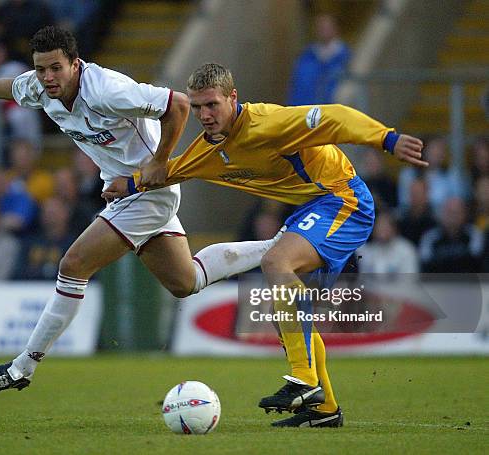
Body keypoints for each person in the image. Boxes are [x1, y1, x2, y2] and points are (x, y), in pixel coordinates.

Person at [0, 27, 277, 393]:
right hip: (123, 191)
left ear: (75, 64)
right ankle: (279, 245)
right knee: (185, 281)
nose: (48, 77)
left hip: (148, 192)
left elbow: (176, 104)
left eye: (55, 69)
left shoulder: (106, 89)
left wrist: (158, 163)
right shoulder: (39, 86)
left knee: (73, 265)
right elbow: (11, 88)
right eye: (40, 69)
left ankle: (22, 368)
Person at [104, 63, 427, 428]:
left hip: (344, 200)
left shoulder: (268, 124)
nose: (204, 115)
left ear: (233, 98)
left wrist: (386, 139)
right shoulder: (209, 148)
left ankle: (304, 381)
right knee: (284, 312)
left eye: (212, 105)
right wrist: (129, 185)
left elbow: (335, 117)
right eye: (196, 108)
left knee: (276, 263)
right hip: (315, 209)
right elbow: (171, 170)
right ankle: (325, 410)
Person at [287, 14, 350, 106]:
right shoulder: (306, 57)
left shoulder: (346, 57)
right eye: (320, 27)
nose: (323, 31)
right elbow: (296, 87)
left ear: (336, 28)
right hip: (306, 111)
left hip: (332, 113)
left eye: (327, 27)